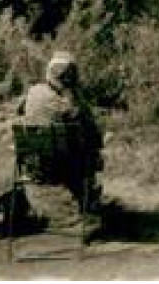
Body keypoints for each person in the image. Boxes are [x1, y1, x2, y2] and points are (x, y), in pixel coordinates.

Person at [18, 52, 103, 208]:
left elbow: (20, 109)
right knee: (89, 145)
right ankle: (88, 199)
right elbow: (88, 127)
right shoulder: (67, 103)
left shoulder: (34, 92)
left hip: (34, 164)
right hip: (64, 165)